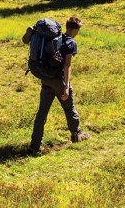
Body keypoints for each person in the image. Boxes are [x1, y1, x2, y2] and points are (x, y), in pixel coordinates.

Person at [22, 17, 90, 152]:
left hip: (46, 78)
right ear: (75, 29)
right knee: (69, 108)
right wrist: (65, 87)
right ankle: (76, 136)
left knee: (42, 112)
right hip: (58, 80)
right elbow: (67, 65)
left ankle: (35, 145)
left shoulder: (56, 38)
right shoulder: (70, 43)